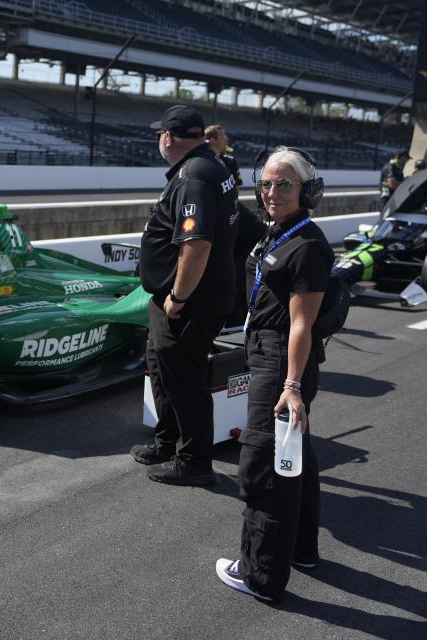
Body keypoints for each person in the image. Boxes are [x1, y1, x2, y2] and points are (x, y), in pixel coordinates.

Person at [215, 147, 334, 602]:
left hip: (282, 365)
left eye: (284, 184)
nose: (271, 191)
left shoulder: (305, 245)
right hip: (269, 353)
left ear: (308, 191)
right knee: (295, 457)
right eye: (265, 183)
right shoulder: (279, 233)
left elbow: (301, 323)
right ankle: (302, 549)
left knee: (264, 465)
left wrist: (292, 385)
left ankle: (259, 575)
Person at [132, 105, 239, 486]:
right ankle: (167, 439)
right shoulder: (210, 165)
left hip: (187, 301)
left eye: (159, 134)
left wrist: (177, 297)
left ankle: (194, 460)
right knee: (161, 368)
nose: (158, 140)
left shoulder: (194, 175)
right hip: (182, 297)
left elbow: (197, 245)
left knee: (184, 379)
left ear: (169, 138)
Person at [206, 124, 267, 328]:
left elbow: (235, 192)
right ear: (212, 139)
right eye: (222, 136)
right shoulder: (202, 161)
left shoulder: (229, 161)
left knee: (236, 277)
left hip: (235, 220)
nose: (226, 140)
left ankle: (237, 322)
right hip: (224, 220)